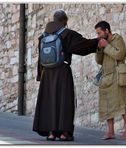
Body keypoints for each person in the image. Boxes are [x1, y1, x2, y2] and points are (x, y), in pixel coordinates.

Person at [33, 10, 98, 141]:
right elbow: (82, 46)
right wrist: (97, 42)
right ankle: (64, 133)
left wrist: (40, 76)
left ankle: (51, 133)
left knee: (49, 102)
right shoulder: (67, 34)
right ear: (65, 21)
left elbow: (41, 57)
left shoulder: (43, 36)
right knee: (65, 101)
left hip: (47, 74)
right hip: (62, 71)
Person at [95, 21, 126, 140]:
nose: (98, 36)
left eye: (99, 33)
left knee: (122, 103)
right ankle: (110, 132)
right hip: (106, 77)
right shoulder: (102, 42)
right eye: (97, 33)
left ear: (107, 31)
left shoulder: (118, 39)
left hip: (117, 77)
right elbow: (99, 61)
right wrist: (99, 49)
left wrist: (106, 45)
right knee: (106, 105)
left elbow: (119, 55)